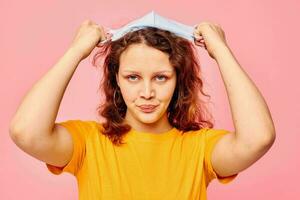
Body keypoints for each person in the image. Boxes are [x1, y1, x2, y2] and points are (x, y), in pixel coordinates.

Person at [9, 19, 276, 200]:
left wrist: (220, 50)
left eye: (160, 77)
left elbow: (259, 138)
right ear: (117, 80)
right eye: (133, 77)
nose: (146, 93)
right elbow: (26, 132)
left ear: (178, 80)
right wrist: (76, 50)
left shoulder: (199, 148)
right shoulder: (89, 142)